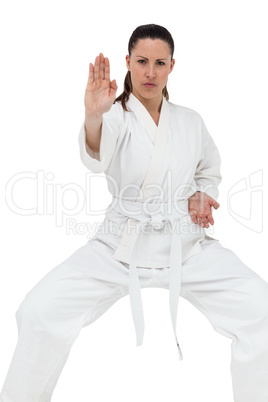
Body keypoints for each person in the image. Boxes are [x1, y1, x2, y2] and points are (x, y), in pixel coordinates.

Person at [0, 23, 268, 402]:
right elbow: (96, 154)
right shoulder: (115, 116)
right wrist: (93, 115)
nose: (150, 72)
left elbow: (209, 169)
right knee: (38, 310)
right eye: (141, 61)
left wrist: (200, 195)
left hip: (186, 245)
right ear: (127, 62)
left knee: (262, 309)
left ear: (172, 66)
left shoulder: (191, 121)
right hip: (119, 246)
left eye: (160, 62)